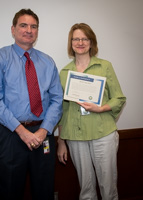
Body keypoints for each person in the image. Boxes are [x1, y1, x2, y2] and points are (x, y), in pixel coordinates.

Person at [0, 8, 63, 200]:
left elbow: (57, 99)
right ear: (13, 29)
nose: (29, 30)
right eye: (23, 25)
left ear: (37, 31)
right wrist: (22, 131)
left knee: (44, 189)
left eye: (33, 26)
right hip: (11, 134)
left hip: (43, 133)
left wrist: (44, 131)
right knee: (9, 190)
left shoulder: (47, 61)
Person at [57, 23, 126, 200]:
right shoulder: (64, 72)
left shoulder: (105, 66)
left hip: (103, 134)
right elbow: (62, 109)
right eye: (76, 39)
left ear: (91, 42)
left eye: (84, 38)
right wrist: (61, 141)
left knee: (108, 187)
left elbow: (119, 98)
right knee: (86, 189)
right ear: (71, 42)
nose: (80, 42)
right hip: (75, 137)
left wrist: (101, 108)